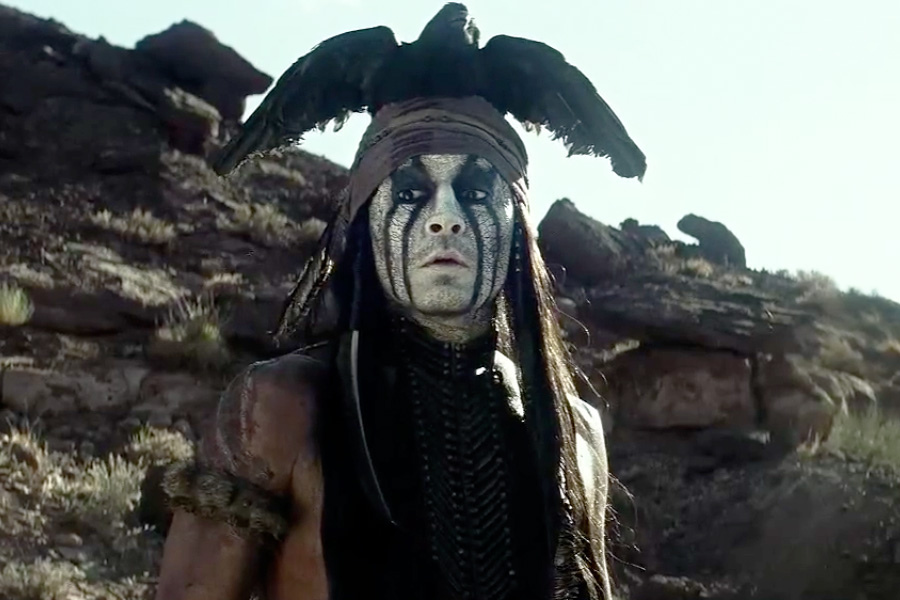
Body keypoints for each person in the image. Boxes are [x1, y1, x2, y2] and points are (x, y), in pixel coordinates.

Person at [155, 6, 645, 600]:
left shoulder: (575, 432)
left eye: (475, 191)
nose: (445, 218)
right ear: (365, 224)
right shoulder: (280, 408)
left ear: (517, 228)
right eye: (411, 192)